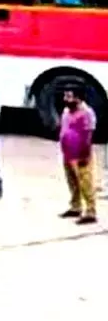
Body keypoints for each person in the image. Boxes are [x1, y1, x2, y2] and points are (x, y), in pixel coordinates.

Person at [59, 86, 97, 224]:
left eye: (69, 97)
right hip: (68, 153)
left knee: (85, 182)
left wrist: (85, 156)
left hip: (80, 154)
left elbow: (88, 135)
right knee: (72, 181)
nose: (66, 99)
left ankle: (91, 211)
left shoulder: (87, 113)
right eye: (65, 96)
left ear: (78, 98)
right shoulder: (66, 111)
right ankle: (76, 207)